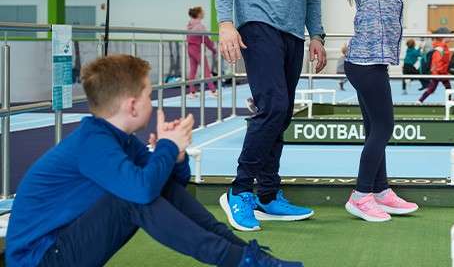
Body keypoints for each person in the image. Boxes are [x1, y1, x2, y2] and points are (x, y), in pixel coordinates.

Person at [5, 55, 301, 267]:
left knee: (144, 190)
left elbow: (170, 187)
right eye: (149, 95)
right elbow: (142, 193)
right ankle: (239, 260)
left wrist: (176, 155)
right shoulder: (92, 142)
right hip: (39, 259)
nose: (153, 101)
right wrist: (167, 148)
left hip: (63, 246)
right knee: (131, 198)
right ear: (132, 105)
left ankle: (249, 257)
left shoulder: (116, 139)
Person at [215, 0, 326, 231]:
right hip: (257, 25)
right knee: (273, 105)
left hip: (293, 33)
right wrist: (226, 22)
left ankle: (267, 195)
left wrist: (317, 35)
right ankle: (239, 190)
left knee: (282, 113)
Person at [329, 0, 417, 222]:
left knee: (374, 128)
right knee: (384, 127)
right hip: (364, 64)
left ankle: (380, 188)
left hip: (373, 62)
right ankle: (362, 193)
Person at [187, 6, 218, 98]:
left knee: (193, 70)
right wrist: (213, 49)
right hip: (197, 49)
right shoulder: (200, 26)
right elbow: (207, 40)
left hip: (190, 49)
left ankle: (192, 92)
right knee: (206, 70)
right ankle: (213, 90)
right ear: (199, 14)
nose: (204, 13)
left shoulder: (189, 24)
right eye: (203, 12)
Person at [418, 28, 453, 103]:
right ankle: (420, 100)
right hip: (439, 73)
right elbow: (436, 62)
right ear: (443, 37)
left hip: (442, 72)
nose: (451, 37)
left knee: (444, 88)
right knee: (433, 88)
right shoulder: (439, 48)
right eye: (449, 35)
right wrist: (440, 72)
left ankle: (420, 100)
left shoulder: (443, 46)